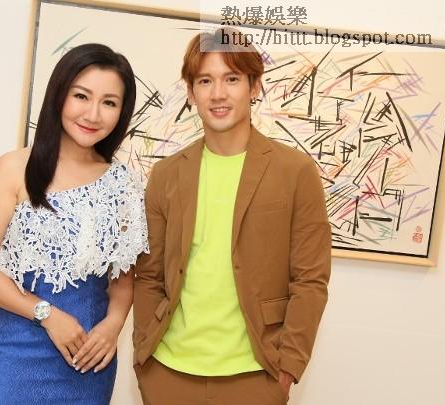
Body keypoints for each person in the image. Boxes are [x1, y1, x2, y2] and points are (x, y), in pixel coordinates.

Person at [133, 28, 331, 405]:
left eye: (232, 79)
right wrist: (145, 354)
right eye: (205, 81)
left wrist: (288, 367)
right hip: (168, 372)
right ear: (191, 92)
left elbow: (310, 279)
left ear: (254, 86)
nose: (218, 94)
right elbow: (149, 274)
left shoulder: (296, 171)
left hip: (257, 373)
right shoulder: (166, 175)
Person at [0, 43, 148, 405]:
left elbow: (123, 282)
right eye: (81, 96)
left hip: (86, 358)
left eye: (109, 102)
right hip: (12, 351)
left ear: (121, 111)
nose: (93, 114)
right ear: (59, 94)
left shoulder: (123, 183)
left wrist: (112, 327)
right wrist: (46, 315)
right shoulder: (14, 168)